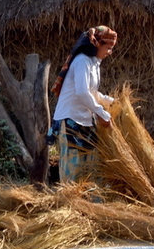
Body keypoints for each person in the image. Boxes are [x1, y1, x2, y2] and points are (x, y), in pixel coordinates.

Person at [50, 25, 118, 183]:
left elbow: (92, 92)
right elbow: (81, 92)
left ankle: (85, 203)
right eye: (108, 48)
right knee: (72, 171)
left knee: (89, 169)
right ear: (97, 44)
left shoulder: (95, 64)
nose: (110, 52)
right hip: (70, 120)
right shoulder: (82, 62)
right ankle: (69, 203)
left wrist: (112, 102)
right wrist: (101, 113)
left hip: (85, 120)